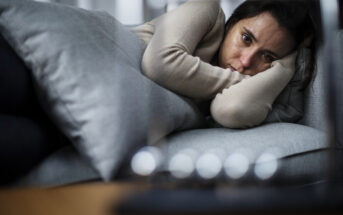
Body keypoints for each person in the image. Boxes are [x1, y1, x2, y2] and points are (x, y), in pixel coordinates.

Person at [132, 0, 318, 128]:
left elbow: (232, 109)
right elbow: (159, 65)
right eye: (246, 38)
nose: (246, 61)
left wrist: (287, 66)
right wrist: (246, 81)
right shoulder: (206, 9)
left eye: (268, 57)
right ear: (232, 24)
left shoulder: (246, 91)